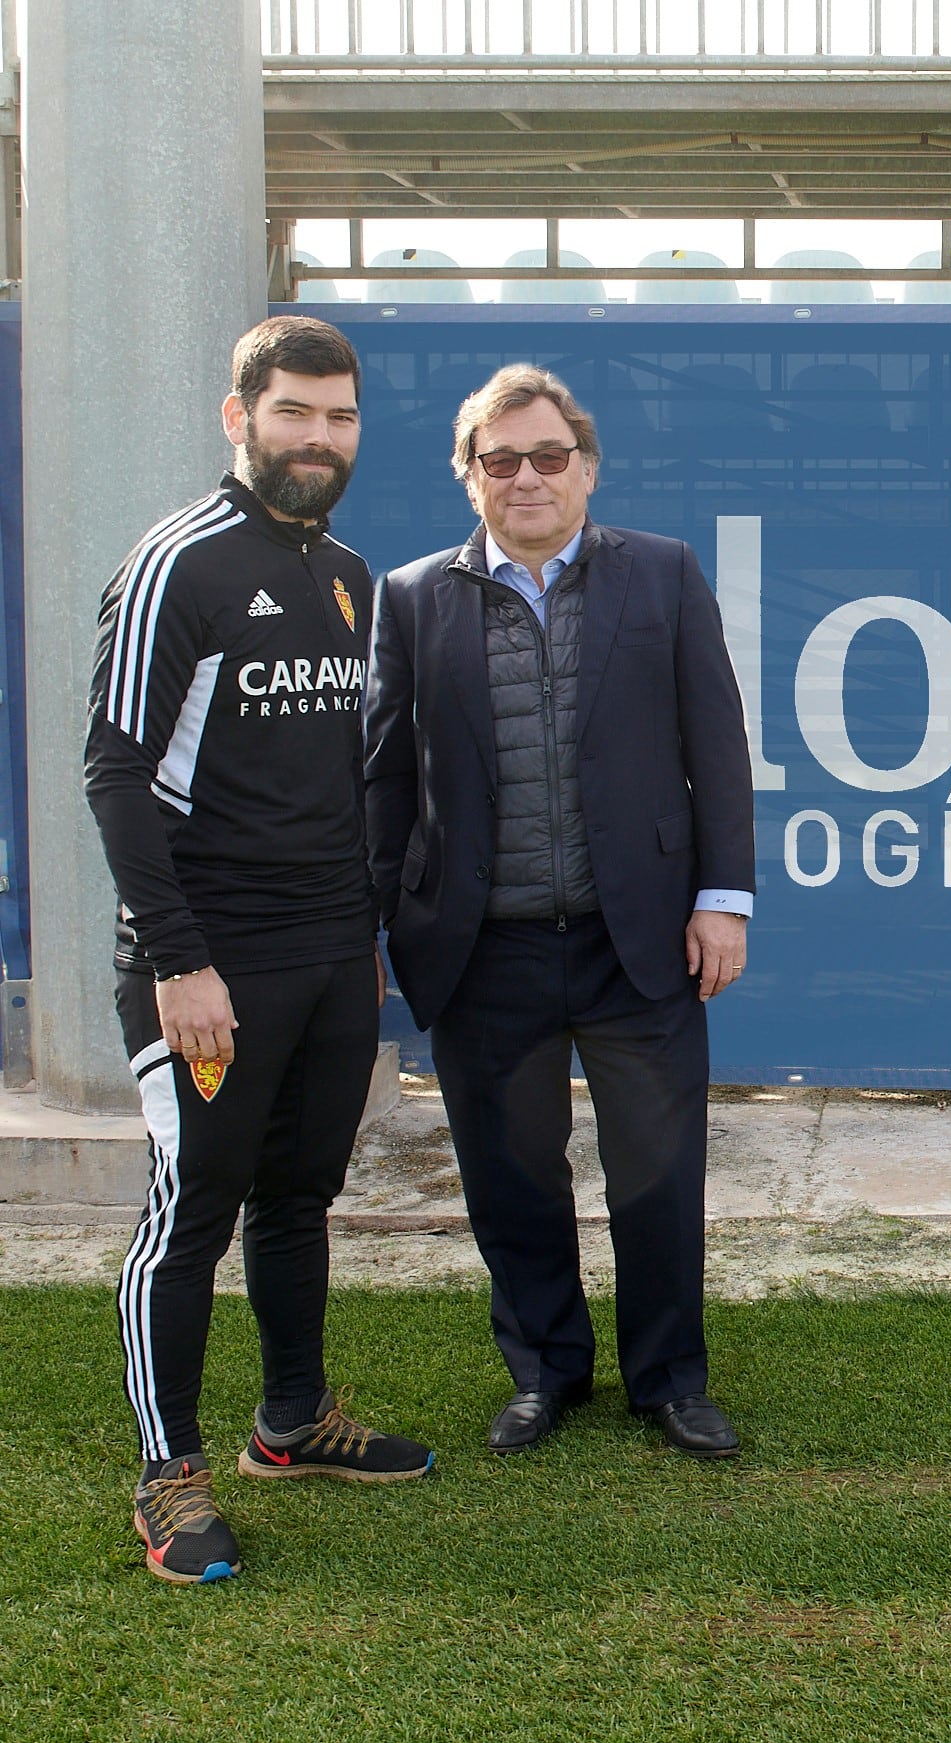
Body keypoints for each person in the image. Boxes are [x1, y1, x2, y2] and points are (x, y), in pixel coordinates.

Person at [86, 315, 436, 1586]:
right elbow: (116, 773)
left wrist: (365, 945)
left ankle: (291, 1421)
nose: (319, 437)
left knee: (301, 1197)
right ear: (239, 418)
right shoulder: (177, 562)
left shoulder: (347, 572)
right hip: (207, 962)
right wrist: (178, 959)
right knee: (191, 1217)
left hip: (331, 954)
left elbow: (338, 780)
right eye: (295, 412)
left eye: (339, 417)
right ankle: (166, 1473)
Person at [364, 364, 756, 1460]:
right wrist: (382, 919)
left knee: (660, 1171)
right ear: (470, 477)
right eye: (501, 459)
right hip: (481, 950)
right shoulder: (410, 597)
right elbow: (385, 778)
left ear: (585, 466)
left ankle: (670, 1378)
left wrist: (723, 900)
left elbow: (715, 747)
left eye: (547, 456)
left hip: (641, 939)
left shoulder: (664, 575)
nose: (526, 476)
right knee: (510, 1174)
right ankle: (546, 1372)